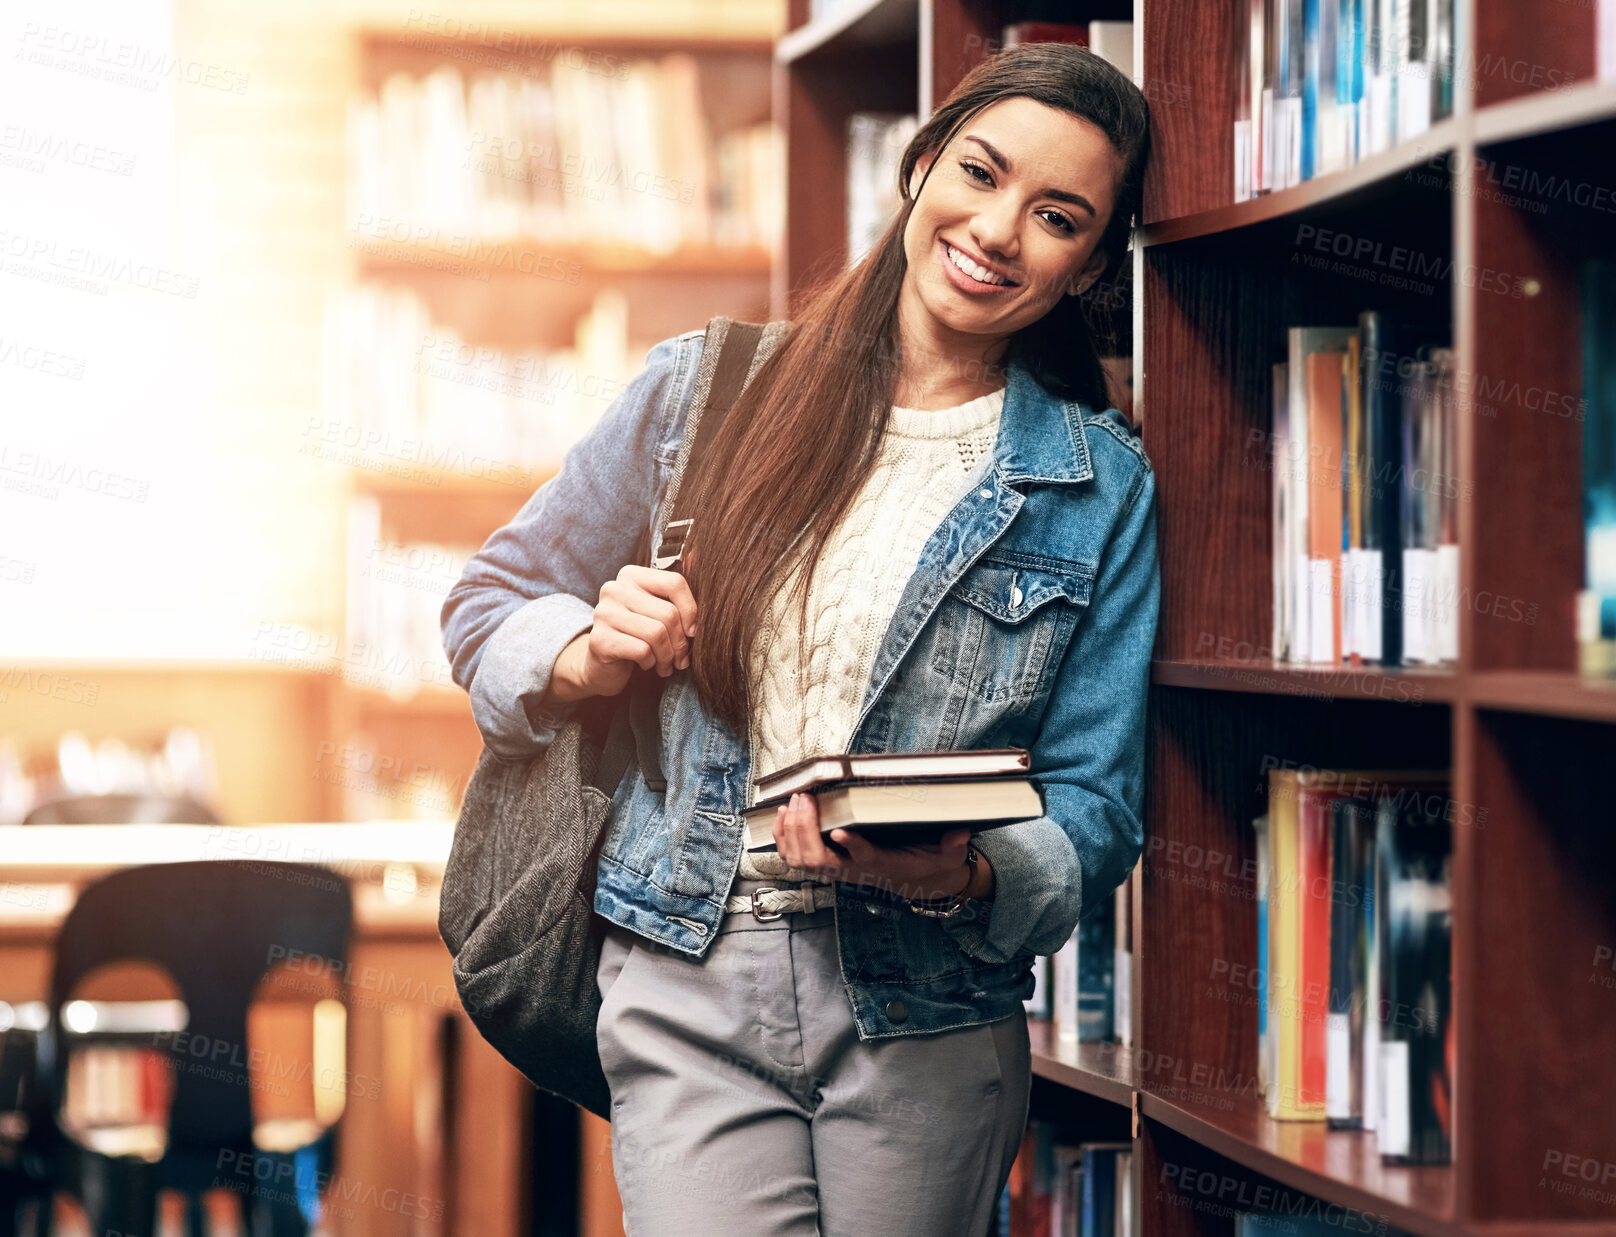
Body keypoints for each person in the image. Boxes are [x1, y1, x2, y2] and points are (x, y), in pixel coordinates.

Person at [442, 41, 1157, 1237]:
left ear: (1087, 263)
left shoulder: (1099, 485)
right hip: (687, 965)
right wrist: (585, 649)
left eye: (1055, 216)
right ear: (919, 163)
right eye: (977, 173)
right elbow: (488, 600)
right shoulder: (703, 390)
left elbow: (1100, 801)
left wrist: (973, 872)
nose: (995, 230)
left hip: (929, 998)